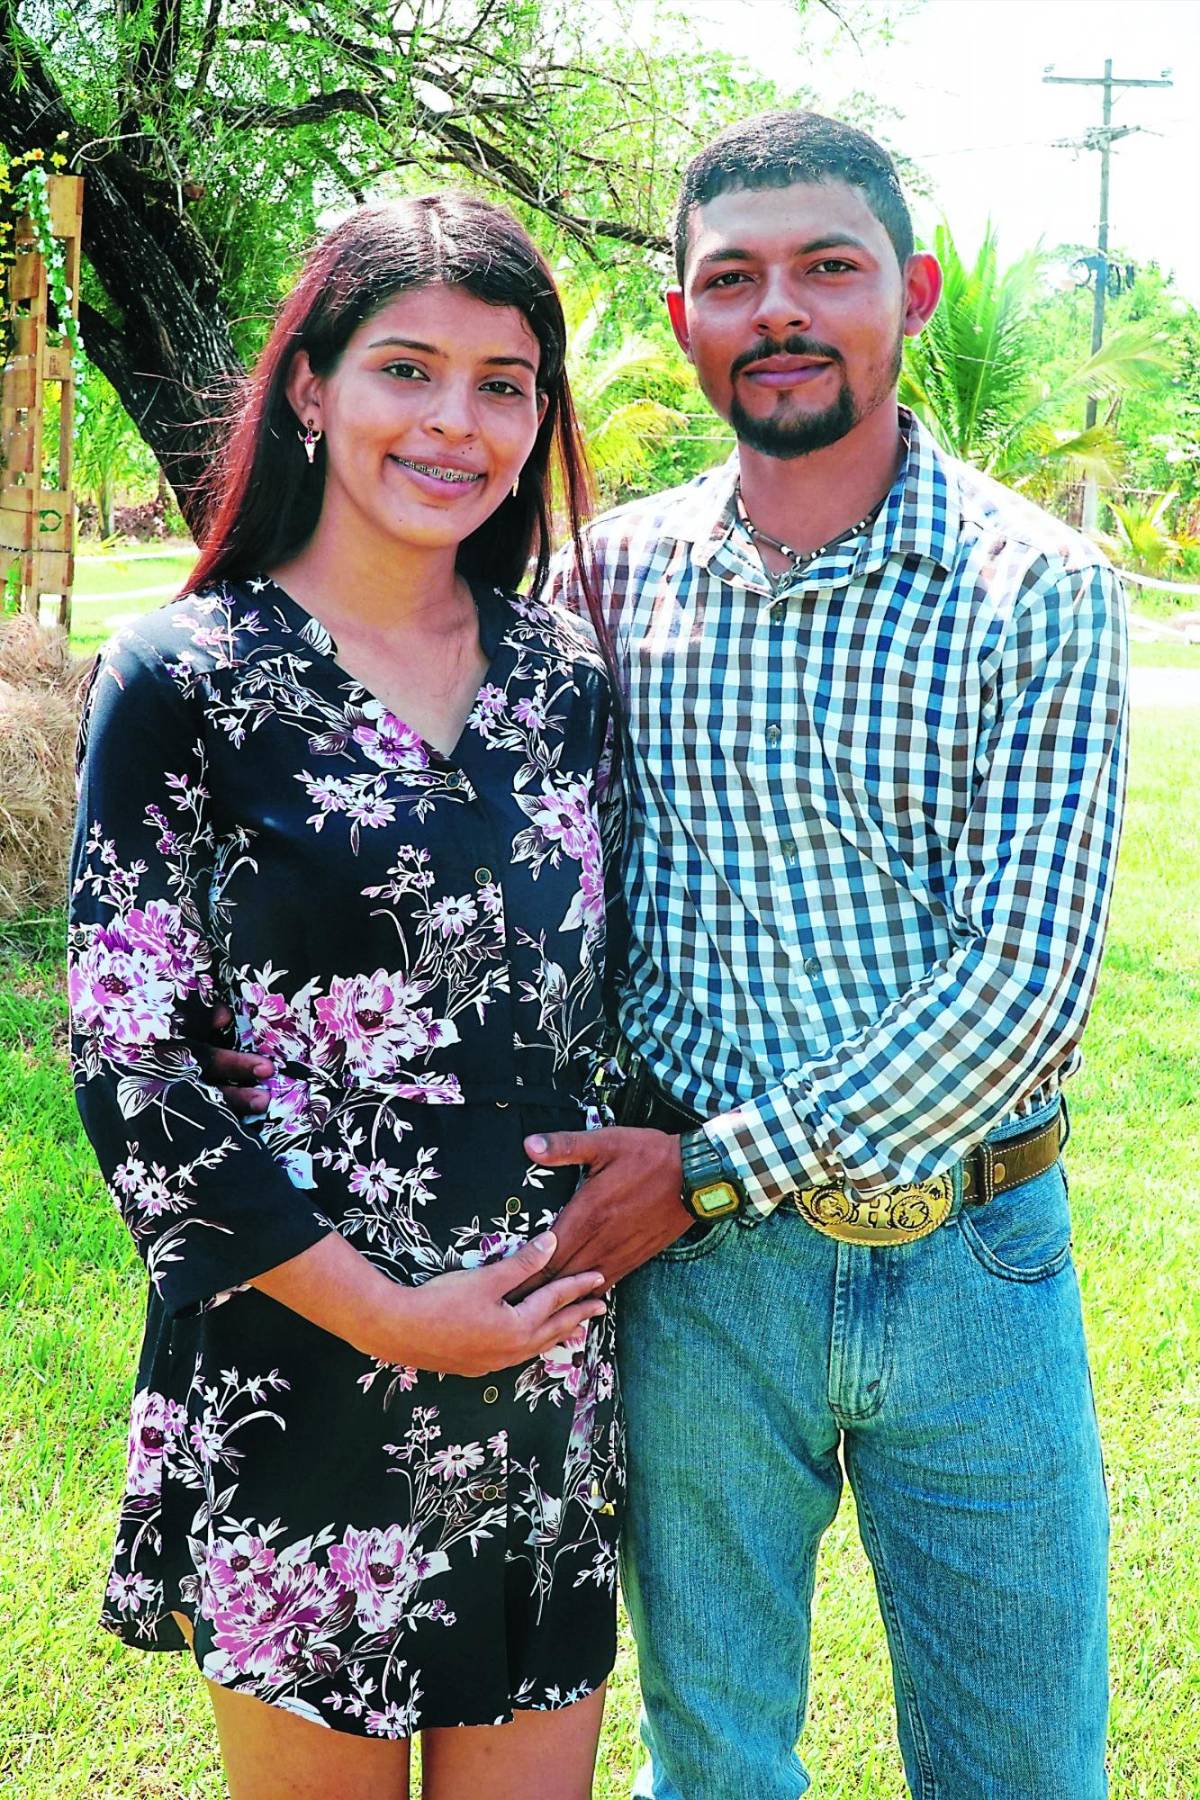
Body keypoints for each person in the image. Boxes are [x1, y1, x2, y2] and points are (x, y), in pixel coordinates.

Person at [524, 112, 1125, 1798]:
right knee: (713, 1761)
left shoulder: (1039, 592)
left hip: (977, 1257)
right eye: (734, 277)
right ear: (682, 322)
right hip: (708, 1300)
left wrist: (710, 1171)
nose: (779, 308)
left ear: (911, 293)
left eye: (827, 268)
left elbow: (1021, 992)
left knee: (1020, 1769)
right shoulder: (609, 581)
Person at [68, 193, 628, 1800]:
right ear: (310, 389)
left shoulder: (563, 684)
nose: (457, 422)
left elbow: (597, 1006)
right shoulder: (184, 677)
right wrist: (395, 1318)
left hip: (539, 1369)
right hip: (303, 1353)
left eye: (506, 383)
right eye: (407, 368)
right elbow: (132, 1063)